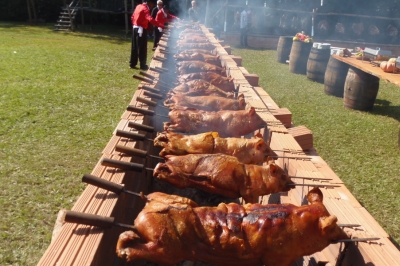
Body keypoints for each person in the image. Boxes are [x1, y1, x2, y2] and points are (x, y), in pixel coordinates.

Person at [130, 0, 163, 70]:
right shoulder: (145, 8)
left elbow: (132, 17)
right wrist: (160, 25)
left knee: (134, 47)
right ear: (149, 3)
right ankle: (143, 65)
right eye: (152, 5)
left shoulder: (138, 6)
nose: (152, 7)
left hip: (135, 28)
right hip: (141, 29)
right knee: (142, 48)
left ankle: (132, 63)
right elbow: (149, 18)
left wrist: (135, 24)